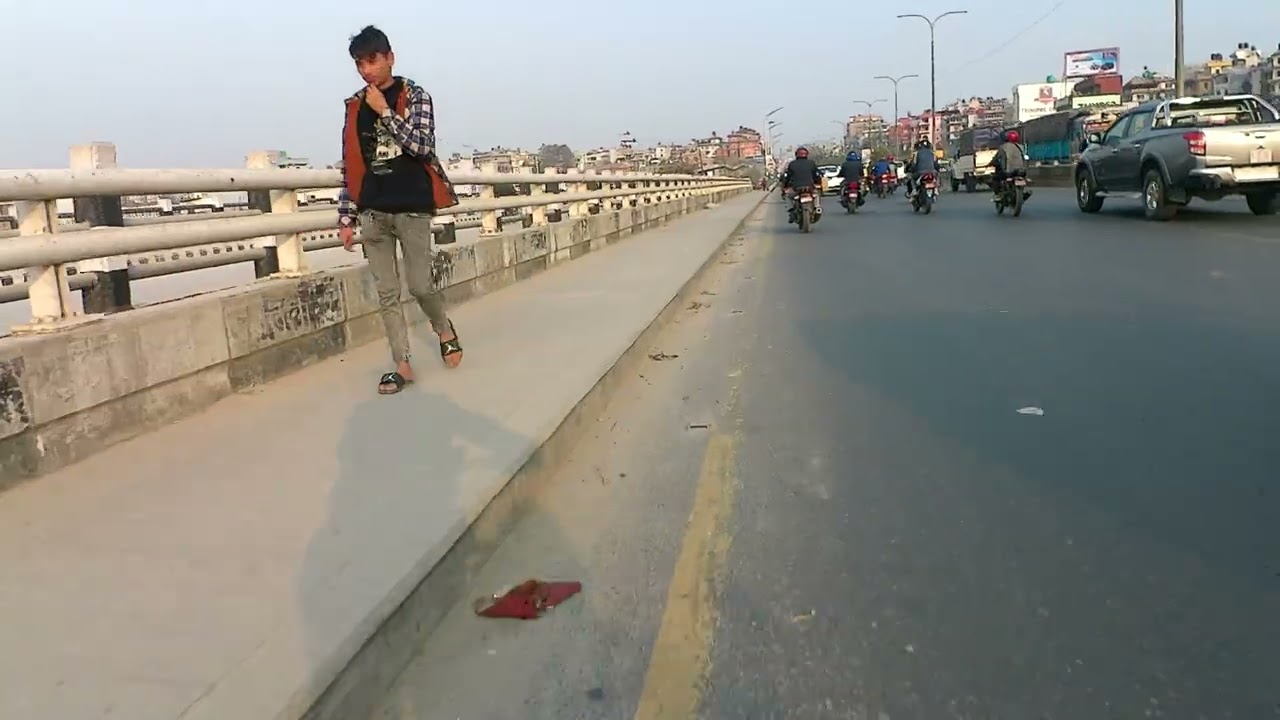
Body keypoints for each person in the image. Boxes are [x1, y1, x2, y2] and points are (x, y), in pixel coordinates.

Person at [337, 25, 464, 395]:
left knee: (421, 285)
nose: (366, 70)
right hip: (372, 211)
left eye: (372, 60)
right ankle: (402, 364)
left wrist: (386, 112)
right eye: (360, 64)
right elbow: (352, 163)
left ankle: (443, 328)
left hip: (412, 207)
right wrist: (346, 215)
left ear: (389, 57)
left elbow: (423, 146)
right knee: (387, 293)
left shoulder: (416, 96)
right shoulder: (355, 105)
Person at [781, 147, 824, 217]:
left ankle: (791, 209)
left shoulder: (792, 164)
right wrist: (817, 183)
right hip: (810, 187)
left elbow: (787, 177)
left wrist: (785, 186)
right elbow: (816, 175)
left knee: (787, 196)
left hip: (796, 188)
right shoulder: (811, 163)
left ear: (796, 155)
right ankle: (817, 207)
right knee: (816, 194)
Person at [990, 129, 1029, 199]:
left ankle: (997, 194)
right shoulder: (1021, 147)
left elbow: (996, 158)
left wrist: (991, 163)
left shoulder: (1003, 147)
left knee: (995, 178)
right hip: (1021, 171)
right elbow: (1025, 158)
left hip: (1008, 171)